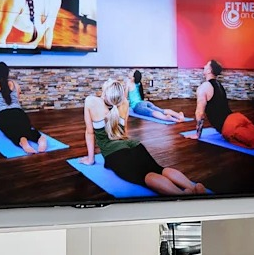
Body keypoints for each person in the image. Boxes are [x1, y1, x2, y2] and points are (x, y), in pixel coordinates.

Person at [79, 80, 207, 196]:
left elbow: (90, 133)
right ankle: (193, 187)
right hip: (134, 145)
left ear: (105, 92)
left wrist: (91, 160)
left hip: (115, 152)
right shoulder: (124, 103)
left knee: (144, 176)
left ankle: (182, 195)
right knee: (159, 169)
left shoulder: (91, 101)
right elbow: (125, 132)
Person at [191, 59, 254, 152]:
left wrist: (197, 134)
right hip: (237, 118)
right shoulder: (219, 85)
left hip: (229, 126)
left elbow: (199, 113)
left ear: (209, 71)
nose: (204, 66)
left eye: (206, 65)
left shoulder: (203, 87)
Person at [0, 61, 49, 153]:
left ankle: (22, 141)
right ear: (8, 73)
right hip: (19, 113)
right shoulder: (15, 84)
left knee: (11, 131)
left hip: (2, 115)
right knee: (26, 129)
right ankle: (40, 138)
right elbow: (16, 102)